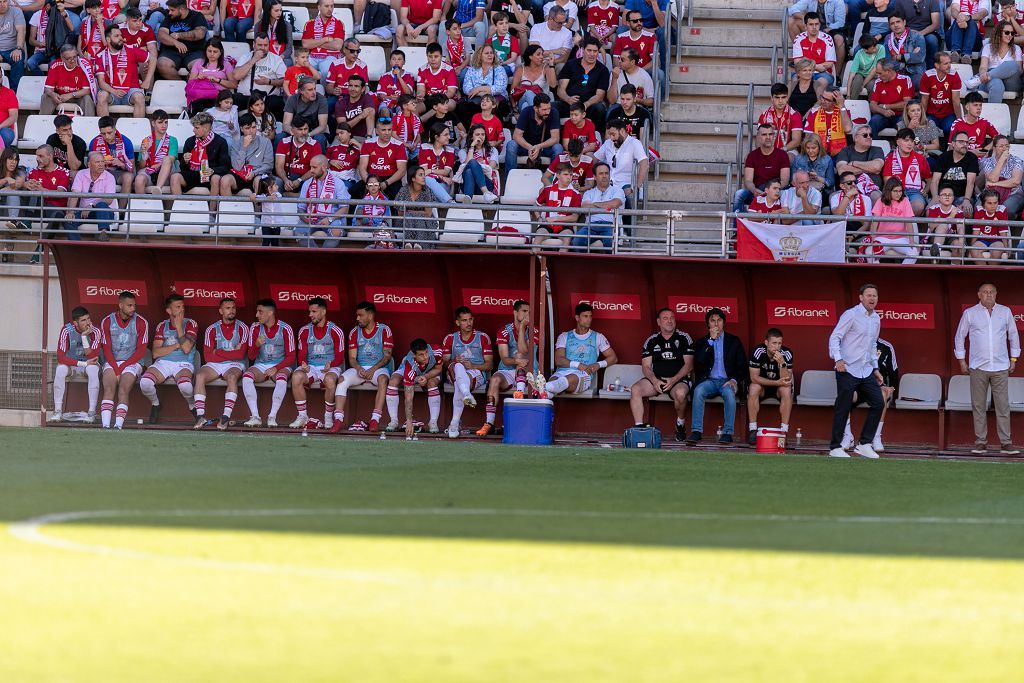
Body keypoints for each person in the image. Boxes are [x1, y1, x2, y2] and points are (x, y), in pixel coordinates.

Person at [954, 281, 1020, 455]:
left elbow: (1013, 336)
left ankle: (1006, 443)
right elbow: (960, 337)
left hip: (1000, 367)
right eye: (985, 292)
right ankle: (980, 442)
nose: (989, 294)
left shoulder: (1005, 312)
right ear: (979, 295)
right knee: (978, 406)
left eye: (991, 292)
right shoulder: (970, 313)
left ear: (996, 294)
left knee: (1003, 406)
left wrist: (1014, 359)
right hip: (978, 367)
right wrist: (962, 361)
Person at [827, 283, 884, 458]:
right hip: (847, 368)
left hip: (866, 370)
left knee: (878, 403)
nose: (872, 298)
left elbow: (873, 344)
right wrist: (838, 359)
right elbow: (835, 337)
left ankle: (864, 443)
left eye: (874, 295)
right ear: (861, 297)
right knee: (843, 406)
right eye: (868, 295)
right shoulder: (851, 314)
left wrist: (875, 368)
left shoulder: (876, 319)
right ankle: (835, 447)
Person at [474, 300, 539, 436]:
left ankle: (519, 395)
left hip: (528, 371)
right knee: (494, 380)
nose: (528, 314)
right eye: (525, 311)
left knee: (521, 358)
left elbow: (524, 350)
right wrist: (516, 360)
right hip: (508, 369)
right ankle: (489, 423)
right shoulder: (504, 331)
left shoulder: (534, 330)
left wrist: (522, 328)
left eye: (530, 312)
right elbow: (504, 358)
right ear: (515, 312)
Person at [629, 307, 694, 442]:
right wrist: (654, 381)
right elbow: (646, 367)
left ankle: (680, 425)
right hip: (657, 380)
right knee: (635, 389)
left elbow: (689, 365)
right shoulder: (651, 340)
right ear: (659, 322)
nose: (669, 321)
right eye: (665, 318)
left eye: (672, 318)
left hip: (678, 380)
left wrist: (673, 379)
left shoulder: (684, 338)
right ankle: (639, 429)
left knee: (681, 394)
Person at [329, 301, 394, 433]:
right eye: (357, 315)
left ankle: (375, 419)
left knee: (383, 380)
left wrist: (373, 369)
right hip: (360, 369)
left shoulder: (384, 330)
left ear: (370, 316)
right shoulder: (354, 332)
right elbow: (352, 358)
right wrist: (359, 368)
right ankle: (338, 419)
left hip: (378, 369)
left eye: (360, 315)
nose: (357, 318)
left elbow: (387, 356)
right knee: (342, 380)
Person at [686, 307, 746, 445]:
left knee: (729, 394)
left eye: (719, 320)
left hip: (727, 380)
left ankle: (727, 433)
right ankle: (696, 431)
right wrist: (711, 341)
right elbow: (699, 362)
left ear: (723, 323)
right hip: (710, 381)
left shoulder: (734, 341)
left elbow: (742, 366)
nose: (716, 324)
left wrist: (734, 380)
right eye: (712, 321)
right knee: (698, 391)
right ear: (708, 324)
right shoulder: (703, 342)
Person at [139, 293, 197, 424]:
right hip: (163, 363)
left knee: (186, 386)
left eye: (183, 306)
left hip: (184, 362)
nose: (181, 310)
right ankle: (155, 404)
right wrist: (177, 345)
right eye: (177, 307)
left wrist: (179, 327)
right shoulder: (162, 326)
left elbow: (187, 349)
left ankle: (192, 406)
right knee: (145, 383)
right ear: (169, 310)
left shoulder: (191, 324)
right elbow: (155, 353)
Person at [192, 296, 249, 431]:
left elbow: (240, 355)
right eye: (228, 308)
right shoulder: (212, 329)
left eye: (233, 308)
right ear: (221, 311)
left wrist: (217, 351)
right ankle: (200, 416)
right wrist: (230, 351)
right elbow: (207, 355)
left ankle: (225, 417)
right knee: (200, 376)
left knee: (232, 377)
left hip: (235, 364)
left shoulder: (243, 328)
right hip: (215, 364)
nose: (232, 311)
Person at [288, 297, 345, 430]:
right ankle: (302, 416)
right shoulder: (305, 330)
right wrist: (304, 364)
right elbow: (302, 353)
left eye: (314, 311)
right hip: (312, 367)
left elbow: (340, 356)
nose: (310, 315)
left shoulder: (335, 330)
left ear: (323, 312)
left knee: (330, 380)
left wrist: (331, 364)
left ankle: (328, 417)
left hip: (330, 367)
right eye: (310, 311)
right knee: (296, 377)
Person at [241, 298, 295, 428]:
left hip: (281, 364)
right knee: (247, 377)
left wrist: (276, 368)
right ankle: (255, 416)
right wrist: (256, 345)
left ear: (270, 313)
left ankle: (272, 416)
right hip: (261, 364)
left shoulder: (285, 329)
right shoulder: (254, 328)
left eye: (260, 311)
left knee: (281, 379)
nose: (257, 315)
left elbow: (291, 357)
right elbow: (251, 356)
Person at [98, 291, 148, 430]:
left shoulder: (141, 322)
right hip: (113, 361)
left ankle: (118, 425)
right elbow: (106, 348)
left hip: (133, 362)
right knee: (109, 388)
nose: (133, 308)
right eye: (129, 305)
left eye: (134, 305)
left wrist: (123, 366)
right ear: (121, 305)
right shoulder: (107, 320)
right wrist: (115, 367)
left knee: (124, 389)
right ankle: (106, 426)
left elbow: (141, 350)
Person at [545, 302, 617, 399]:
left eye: (590, 316)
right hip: (562, 372)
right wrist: (578, 365)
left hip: (583, 375)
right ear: (577, 318)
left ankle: (546, 391)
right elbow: (559, 360)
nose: (589, 319)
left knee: (563, 382)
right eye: (585, 316)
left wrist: (598, 365)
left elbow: (613, 358)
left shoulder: (598, 337)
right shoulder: (564, 336)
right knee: (553, 380)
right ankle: (548, 392)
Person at [441, 306, 492, 438]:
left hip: (476, 373)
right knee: (458, 366)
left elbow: (489, 365)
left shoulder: (482, 337)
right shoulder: (450, 338)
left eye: (470, 319)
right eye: (464, 320)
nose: (468, 323)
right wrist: (454, 359)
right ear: (457, 322)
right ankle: (466, 395)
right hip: (455, 372)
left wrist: (473, 365)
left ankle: (454, 423)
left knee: (460, 383)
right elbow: (444, 363)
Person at [841, 337, 898, 452]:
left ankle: (875, 437)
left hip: (877, 387)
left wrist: (892, 388)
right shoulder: (852, 344)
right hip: (858, 386)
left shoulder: (886, 346)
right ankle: (848, 436)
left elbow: (894, 371)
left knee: (883, 394)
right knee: (846, 394)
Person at [384, 337, 444, 435]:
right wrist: (409, 421)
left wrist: (425, 376)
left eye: (426, 352)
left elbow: (438, 368)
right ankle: (394, 421)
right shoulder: (409, 365)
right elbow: (408, 398)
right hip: (412, 370)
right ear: (413, 355)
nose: (425, 357)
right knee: (393, 381)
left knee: (432, 383)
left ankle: (433, 422)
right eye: (421, 355)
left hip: (430, 371)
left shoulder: (436, 351)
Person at [746, 328, 794, 445]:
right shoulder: (758, 351)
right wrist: (777, 382)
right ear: (766, 343)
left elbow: (786, 380)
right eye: (774, 343)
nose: (777, 347)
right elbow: (754, 378)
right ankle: (753, 430)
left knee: (786, 390)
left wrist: (782, 363)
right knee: (753, 387)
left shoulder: (786, 353)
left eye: (779, 343)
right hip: (762, 387)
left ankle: (783, 432)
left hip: (779, 388)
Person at [53, 305, 101, 422]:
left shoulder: (96, 331)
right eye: (83, 320)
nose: (88, 323)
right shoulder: (66, 330)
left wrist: (84, 337)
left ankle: (91, 412)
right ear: (75, 323)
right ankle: (57, 411)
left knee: (93, 369)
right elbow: (60, 357)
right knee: (60, 369)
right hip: (73, 365)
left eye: (88, 319)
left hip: (89, 365)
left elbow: (92, 357)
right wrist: (82, 364)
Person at [732, 123, 791, 213]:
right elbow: (748, 180)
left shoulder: (782, 155)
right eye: (764, 134)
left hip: (776, 191)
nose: (768, 137)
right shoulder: (752, 156)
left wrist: (772, 190)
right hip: (757, 192)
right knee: (739, 194)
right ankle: (738, 226)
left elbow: (785, 180)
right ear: (758, 137)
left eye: (770, 134)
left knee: (786, 193)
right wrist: (754, 190)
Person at [296, 154, 349, 247]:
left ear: (324, 167)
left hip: (332, 219)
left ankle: (324, 256)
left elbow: (345, 208)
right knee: (299, 233)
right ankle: (317, 256)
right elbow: (300, 208)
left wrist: (329, 219)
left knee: (335, 232)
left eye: (314, 167)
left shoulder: (338, 183)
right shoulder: (307, 184)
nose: (311, 170)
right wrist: (303, 217)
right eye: (310, 167)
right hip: (311, 218)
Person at [554, 37, 608, 130]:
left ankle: (595, 138)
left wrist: (586, 105)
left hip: (589, 106)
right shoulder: (571, 64)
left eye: (595, 51)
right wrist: (568, 99)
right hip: (569, 103)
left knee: (600, 108)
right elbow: (560, 89)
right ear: (583, 50)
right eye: (589, 50)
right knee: (551, 107)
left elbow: (600, 96)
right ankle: (555, 137)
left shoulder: (602, 70)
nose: (592, 54)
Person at [593, 118, 648, 210]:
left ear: (622, 131)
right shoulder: (608, 143)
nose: (611, 138)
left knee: (630, 198)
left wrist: (636, 186)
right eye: (610, 135)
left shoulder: (634, 143)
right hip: (608, 183)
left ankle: (628, 224)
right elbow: (594, 160)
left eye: (613, 134)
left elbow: (644, 164)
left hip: (627, 184)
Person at [95, 23, 147, 117]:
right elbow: (101, 82)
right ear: (108, 39)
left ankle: (138, 130)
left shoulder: (131, 49)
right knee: (101, 96)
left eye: (121, 35)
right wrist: (114, 91)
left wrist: (147, 80)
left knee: (139, 97)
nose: (121, 38)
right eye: (116, 36)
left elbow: (153, 59)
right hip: (112, 92)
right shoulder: (100, 56)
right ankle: (106, 129)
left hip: (131, 91)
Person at [170, 111, 229, 195]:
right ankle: (178, 206)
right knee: (174, 177)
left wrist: (213, 170)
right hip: (193, 174)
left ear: (206, 128)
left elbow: (225, 166)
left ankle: (212, 208)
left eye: (196, 128)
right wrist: (185, 161)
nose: (193, 130)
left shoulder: (220, 142)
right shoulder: (190, 141)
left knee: (216, 178)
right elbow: (183, 168)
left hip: (210, 174)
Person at [232, 32, 286, 118]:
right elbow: (236, 76)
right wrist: (254, 60)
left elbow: (285, 81)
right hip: (247, 98)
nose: (263, 48)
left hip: (267, 99)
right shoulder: (246, 57)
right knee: (234, 99)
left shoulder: (276, 59)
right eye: (260, 45)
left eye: (265, 45)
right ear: (253, 44)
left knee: (278, 102)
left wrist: (269, 81)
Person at [66, 151, 116, 239]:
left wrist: (91, 206)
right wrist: (70, 212)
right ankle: (76, 248)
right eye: (97, 162)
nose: (101, 165)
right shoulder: (81, 174)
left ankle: (103, 232)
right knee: (69, 221)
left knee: (101, 205)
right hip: (85, 212)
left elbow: (109, 200)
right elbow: (75, 194)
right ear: (89, 164)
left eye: (102, 162)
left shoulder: (110, 177)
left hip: (105, 214)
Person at [354, 116, 407, 199]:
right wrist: (371, 184)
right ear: (377, 131)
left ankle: (393, 212)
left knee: (398, 197)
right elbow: (362, 168)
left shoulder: (399, 145)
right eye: (383, 130)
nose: (387, 133)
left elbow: (402, 171)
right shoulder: (367, 143)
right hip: (371, 177)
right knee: (353, 192)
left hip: (391, 180)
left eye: (389, 130)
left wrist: (386, 183)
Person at [26, 144, 70, 241]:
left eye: (40, 156)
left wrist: (42, 190)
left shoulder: (63, 172)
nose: (37, 159)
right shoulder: (33, 171)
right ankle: (27, 220)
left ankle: (40, 248)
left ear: (50, 156)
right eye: (37, 156)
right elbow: (30, 189)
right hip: (39, 209)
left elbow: (60, 193)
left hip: (55, 210)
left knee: (57, 216)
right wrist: (26, 185)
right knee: (34, 192)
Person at [883, 127, 931, 215]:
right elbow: (887, 180)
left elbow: (929, 179)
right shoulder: (890, 158)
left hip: (914, 192)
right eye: (906, 140)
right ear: (898, 142)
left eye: (912, 141)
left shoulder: (920, 158)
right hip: (895, 191)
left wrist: (925, 191)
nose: (910, 144)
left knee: (918, 206)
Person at [457, 42, 508, 126]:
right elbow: (466, 88)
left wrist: (478, 89)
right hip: (476, 100)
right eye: (487, 53)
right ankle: (470, 133)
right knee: (463, 107)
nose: (490, 55)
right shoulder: (472, 70)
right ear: (480, 56)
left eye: (491, 53)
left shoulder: (499, 69)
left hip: (494, 99)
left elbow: (500, 88)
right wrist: (482, 94)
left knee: (498, 107)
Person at [156, 0, 207, 81]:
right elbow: (161, 34)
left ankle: (189, 86)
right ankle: (181, 85)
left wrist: (178, 35)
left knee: (200, 67)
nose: (169, 13)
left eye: (172, 10)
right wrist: (176, 42)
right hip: (171, 51)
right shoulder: (169, 17)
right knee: (162, 64)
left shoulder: (197, 16)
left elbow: (200, 34)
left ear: (182, 9)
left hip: (194, 51)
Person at [223, 112, 274, 194]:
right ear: (241, 129)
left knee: (259, 181)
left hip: (258, 173)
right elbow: (237, 167)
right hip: (240, 173)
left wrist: (254, 173)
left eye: (254, 127)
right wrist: (244, 147)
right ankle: (229, 207)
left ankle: (258, 207)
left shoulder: (265, 142)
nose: (251, 131)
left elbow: (268, 165)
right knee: (225, 180)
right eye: (247, 128)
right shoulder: (236, 143)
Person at [930, 129, 977, 215]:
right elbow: (935, 180)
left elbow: (971, 182)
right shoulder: (943, 157)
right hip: (943, 195)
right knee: (930, 211)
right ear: (953, 143)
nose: (965, 145)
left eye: (967, 142)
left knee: (967, 211)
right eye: (961, 142)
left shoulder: (971, 158)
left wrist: (966, 200)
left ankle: (963, 229)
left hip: (962, 196)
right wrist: (935, 197)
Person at [533, 162, 580, 247]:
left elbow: (574, 217)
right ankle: (535, 259)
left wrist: (556, 219)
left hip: (565, 225)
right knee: (538, 236)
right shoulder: (547, 190)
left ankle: (561, 260)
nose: (569, 177)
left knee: (567, 238)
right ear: (558, 175)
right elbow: (536, 206)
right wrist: (539, 218)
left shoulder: (576, 194)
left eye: (571, 174)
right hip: (548, 224)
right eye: (565, 174)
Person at [41, 43, 96, 115]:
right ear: (62, 58)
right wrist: (52, 94)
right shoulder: (55, 66)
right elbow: (47, 88)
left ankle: (89, 124)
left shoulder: (84, 65)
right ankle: (44, 123)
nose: (73, 60)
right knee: (46, 96)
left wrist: (70, 95)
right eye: (69, 58)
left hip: (78, 97)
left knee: (87, 99)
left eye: (75, 57)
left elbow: (87, 90)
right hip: (60, 97)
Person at [977, 135, 1024, 219]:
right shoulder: (988, 161)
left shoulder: (1016, 160)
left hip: (1013, 193)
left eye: (1007, 146)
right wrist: (1001, 160)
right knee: (978, 206)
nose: (1005, 148)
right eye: (1001, 146)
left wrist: (995, 184)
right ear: (994, 148)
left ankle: (1005, 231)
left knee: (1006, 209)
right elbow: (993, 178)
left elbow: (1015, 181)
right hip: (991, 193)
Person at [185, 37, 235, 113]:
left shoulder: (226, 64)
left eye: (215, 52)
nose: (212, 54)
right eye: (209, 51)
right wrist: (198, 77)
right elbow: (190, 83)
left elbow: (234, 84)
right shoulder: (199, 63)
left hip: (220, 96)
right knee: (198, 102)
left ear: (220, 52)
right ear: (205, 51)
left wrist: (217, 80)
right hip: (202, 94)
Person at [833, 125, 884, 199]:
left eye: (871, 135)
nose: (869, 137)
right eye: (865, 135)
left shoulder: (877, 150)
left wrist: (854, 163)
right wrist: (870, 170)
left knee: (876, 196)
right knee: (833, 197)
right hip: (849, 189)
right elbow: (842, 170)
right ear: (856, 138)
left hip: (872, 190)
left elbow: (877, 167)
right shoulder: (846, 151)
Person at [394, 165, 439, 247]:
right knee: (409, 217)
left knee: (416, 218)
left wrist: (412, 213)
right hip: (405, 222)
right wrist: (411, 214)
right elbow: (400, 213)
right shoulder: (403, 190)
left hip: (425, 222)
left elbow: (428, 213)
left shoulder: (426, 190)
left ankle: (414, 244)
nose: (424, 177)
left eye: (424, 175)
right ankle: (413, 245)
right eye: (420, 175)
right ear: (413, 178)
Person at [89, 116, 134, 197]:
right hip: (101, 173)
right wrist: (101, 163)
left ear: (115, 129)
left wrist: (121, 164)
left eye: (109, 133)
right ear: (100, 131)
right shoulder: (94, 143)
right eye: (103, 133)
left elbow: (131, 167)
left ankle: (121, 209)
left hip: (119, 173)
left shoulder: (126, 142)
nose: (106, 136)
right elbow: (90, 166)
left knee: (128, 177)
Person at [977, 20, 1021, 103]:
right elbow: (983, 67)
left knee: (1013, 65)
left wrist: (1000, 73)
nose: (1010, 35)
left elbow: (1019, 71)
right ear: (999, 33)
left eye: (1012, 33)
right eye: (1007, 32)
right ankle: (992, 115)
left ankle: (980, 79)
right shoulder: (988, 47)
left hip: (1010, 82)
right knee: (997, 84)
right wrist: (983, 73)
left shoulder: (1016, 49)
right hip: (990, 82)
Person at [919, 51, 962, 135]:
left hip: (948, 114)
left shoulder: (954, 75)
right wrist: (922, 118)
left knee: (950, 129)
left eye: (950, 63)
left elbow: (956, 101)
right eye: (946, 63)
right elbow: (924, 100)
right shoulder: (927, 76)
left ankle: (948, 147)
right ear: (937, 65)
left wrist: (960, 120)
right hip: (931, 114)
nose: (949, 66)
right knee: (928, 130)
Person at [134, 109, 177, 193]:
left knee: (167, 159)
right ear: (153, 123)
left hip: (167, 174)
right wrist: (144, 154)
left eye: (166, 122)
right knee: (139, 179)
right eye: (160, 122)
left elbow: (171, 159)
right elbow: (142, 166)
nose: (164, 125)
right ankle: (141, 205)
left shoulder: (172, 140)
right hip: (150, 172)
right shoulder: (146, 140)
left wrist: (157, 165)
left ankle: (158, 188)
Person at [454, 122, 499, 203]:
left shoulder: (492, 150)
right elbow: (465, 166)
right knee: (469, 168)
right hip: (467, 183)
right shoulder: (463, 152)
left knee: (470, 169)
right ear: (471, 137)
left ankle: (468, 197)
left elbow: (490, 168)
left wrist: (476, 167)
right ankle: (485, 193)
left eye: (483, 134)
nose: (480, 137)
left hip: (486, 181)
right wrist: (472, 146)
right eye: (477, 134)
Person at [274, 114, 320, 193]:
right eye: (300, 129)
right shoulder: (284, 142)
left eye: (306, 129)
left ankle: (296, 197)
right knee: (276, 182)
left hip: (305, 178)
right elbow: (279, 166)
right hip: (287, 177)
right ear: (292, 131)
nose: (303, 132)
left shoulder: (315, 144)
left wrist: (299, 180)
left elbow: (315, 169)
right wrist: (286, 180)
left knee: (312, 182)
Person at [791, 12, 836, 91]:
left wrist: (807, 65)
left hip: (823, 74)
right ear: (805, 26)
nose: (814, 27)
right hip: (803, 72)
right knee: (794, 82)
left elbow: (829, 64)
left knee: (819, 83)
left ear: (819, 25)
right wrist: (816, 67)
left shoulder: (827, 39)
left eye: (816, 24)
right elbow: (797, 62)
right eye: (811, 24)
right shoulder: (799, 39)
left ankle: (817, 104)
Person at [868, 59, 912, 138]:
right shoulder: (878, 82)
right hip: (883, 115)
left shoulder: (905, 80)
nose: (878, 76)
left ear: (889, 71)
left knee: (904, 122)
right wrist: (883, 111)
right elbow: (872, 105)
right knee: (874, 121)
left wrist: (886, 106)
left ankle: (901, 148)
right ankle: (873, 147)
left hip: (900, 115)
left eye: (880, 73)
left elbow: (907, 104)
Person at [301, 0, 344, 79]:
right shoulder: (310, 23)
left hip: (330, 57)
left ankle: (325, 91)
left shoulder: (339, 23)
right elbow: (305, 44)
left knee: (327, 70)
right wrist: (325, 39)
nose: (330, 9)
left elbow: (337, 46)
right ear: (319, 7)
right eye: (326, 6)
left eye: (332, 6)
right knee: (301, 69)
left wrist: (314, 42)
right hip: (312, 57)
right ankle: (304, 91)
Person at [282, 76, 330, 148]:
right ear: (301, 91)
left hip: (314, 131)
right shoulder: (292, 99)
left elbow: (322, 126)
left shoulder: (321, 100)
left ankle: (320, 159)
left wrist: (308, 135)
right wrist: (294, 132)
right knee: (280, 137)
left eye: (314, 89)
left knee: (319, 139)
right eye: (310, 90)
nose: (314, 92)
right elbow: (285, 124)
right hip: (296, 130)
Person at [803, 86, 851, 156]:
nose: (822, 101)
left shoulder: (843, 112)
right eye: (822, 97)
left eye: (827, 100)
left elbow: (848, 129)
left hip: (839, 154)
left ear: (835, 102)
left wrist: (842, 106)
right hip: (818, 153)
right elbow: (808, 137)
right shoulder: (814, 112)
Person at [325, 38, 368, 115]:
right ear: (344, 50)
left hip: (356, 96)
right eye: (352, 51)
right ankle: (331, 126)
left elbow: (363, 89)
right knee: (326, 106)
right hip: (337, 96)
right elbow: (328, 87)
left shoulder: (362, 66)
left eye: (358, 51)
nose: (355, 54)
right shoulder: (335, 64)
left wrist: (345, 92)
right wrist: (334, 90)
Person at [950, 91, 999, 158]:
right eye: (975, 105)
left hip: (980, 159)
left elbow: (998, 138)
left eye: (980, 105)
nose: (979, 108)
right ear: (967, 107)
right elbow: (951, 148)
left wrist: (985, 150)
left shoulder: (984, 122)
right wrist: (971, 153)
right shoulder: (957, 124)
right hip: (962, 158)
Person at [759, 82, 804, 153]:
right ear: (771, 98)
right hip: (768, 150)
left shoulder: (795, 115)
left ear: (787, 98)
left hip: (788, 150)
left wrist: (781, 151)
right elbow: (759, 140)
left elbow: (796, 141)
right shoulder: (764, 115)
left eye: (783, 97)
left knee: (789, 158)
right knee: (748, 158)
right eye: (777, 97)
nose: (780, 101)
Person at [511, 43, 556, 113]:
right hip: (523, 100)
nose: (542, 57)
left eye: (542, 54)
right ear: (530, 56)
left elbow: (553, 85)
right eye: (538, 54)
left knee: (525, 106)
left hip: (543, 103)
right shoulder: (520, 69)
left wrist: (551, 65)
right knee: (528, 93)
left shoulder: (546, 68)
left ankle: (534, 120)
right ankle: (539, 114)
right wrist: (514, 108)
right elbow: (513, 90)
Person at [884, 13, 925, 88]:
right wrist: (910, 55)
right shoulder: (888, 38)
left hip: (914, 72)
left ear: (904, 22)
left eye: (898, 22)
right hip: (895, 72)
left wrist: (899, 57)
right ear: (889, 26)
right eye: (892, 23)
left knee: (920, 82)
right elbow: (888, 61)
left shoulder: (917, 36)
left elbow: (920, 57)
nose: (895, 25)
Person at [924, 183, 966, 259]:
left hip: (951, 238)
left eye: (949, 195)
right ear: (939, 198)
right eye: (944, 195)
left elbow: (960, 228)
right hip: (935, 237)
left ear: (953, 198)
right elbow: (932, 226)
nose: (947, 197)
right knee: (943, 226)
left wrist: (960, 241)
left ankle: (955, 268)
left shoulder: (958, 211)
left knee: (957, 245)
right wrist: (951, 216)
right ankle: (937, 251)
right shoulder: (933, 209)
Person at [970, 189, 1010, 263]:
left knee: (996, 252)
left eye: (995, 203)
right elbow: (976, 231)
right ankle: (984, 273)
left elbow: (1003, 232)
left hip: (997, 240)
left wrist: (1007, 248)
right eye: (989, 203)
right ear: (983, 204)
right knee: (974, 250)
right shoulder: (979, 210)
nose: (993, 206)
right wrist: (970, 248)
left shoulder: (1002, 210)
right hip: (982, 240)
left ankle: (992, 274)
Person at [415, 42, 458, 110]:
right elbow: (421, 90)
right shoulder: (422, 70)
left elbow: (451, 92)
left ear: (441, 56)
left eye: (436, 56)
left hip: (444, 99)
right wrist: (420, 96)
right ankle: (417, 120)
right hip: (428, 99)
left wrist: (438, 101)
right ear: (427, 56)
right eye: (430, 56)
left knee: (451, 104)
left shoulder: (449, 70)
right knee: (414, 107)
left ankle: (424, 118)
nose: (433, 59)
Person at [333, 74, 376, 139]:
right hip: (344, 138)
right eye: (350, 85)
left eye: (356, 86)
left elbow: (370, 114)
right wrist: (360, 116)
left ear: (363, 89)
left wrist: (368, 137)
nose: (352, 89)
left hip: (363, 138)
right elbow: (343, 127)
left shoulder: (367, 98)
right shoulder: (341, 103)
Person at [375, 48, 416, 112]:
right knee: (384, 110)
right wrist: (390, 98)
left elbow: (409, 93)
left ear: (404, 62)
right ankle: (386, 121)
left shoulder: (409, 76)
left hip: (403, 103)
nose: (396, 61)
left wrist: (399, 77)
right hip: (388, 102)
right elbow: (380, 95)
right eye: (393, 59)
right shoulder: (384, 76)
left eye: (399, 59)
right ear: (390, 62)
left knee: (403, 110)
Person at [846, 33, 885, 99]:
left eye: (875, 46)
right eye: (873, 48)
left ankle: (872, 106)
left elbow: (875, 69)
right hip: (861, 74)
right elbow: (852, 74)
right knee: (857, 80)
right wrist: (848, 94)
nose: (876, 49)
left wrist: (863, 84)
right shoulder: (859, 54)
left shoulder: (880, 48)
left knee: (872, 85)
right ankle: (851, 102)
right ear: (865, 50)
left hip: (874, 76)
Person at [0, 0, 26, 92]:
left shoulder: (16, 11)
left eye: (5, 1)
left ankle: (14, 92)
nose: (2, 4)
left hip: (12, 49)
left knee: (18, 59)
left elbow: (21, 31)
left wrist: (18, 48)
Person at [258, 0, 293, 64]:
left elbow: (289, 48)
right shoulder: (259, 25)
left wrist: (279, 58)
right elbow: (257, 46)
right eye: (276, 11)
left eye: (280, 10)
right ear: (268, 11)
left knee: (287, 63)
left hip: (282, 58)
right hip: (265, 57)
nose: (279, 13)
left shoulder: (287, 26)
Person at [489, 11, 520, 77]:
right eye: (501, 23)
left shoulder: (513, 39)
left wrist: (502, 63)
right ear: (495, 26)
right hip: (493, 66)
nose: (504, 25)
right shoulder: (489, 41)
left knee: (500, 71)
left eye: (506, 23)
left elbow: (513, 58)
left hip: (507, 66)